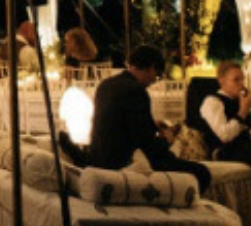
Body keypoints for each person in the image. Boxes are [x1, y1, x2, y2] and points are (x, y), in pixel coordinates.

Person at [78, 45, 210, 190]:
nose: (155, 81)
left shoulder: (107, 85)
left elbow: (123, 123)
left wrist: (153, 126)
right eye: (157, 76)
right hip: (120, 163)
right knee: (202, 172)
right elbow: (146, 143)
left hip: (99, 158)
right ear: (151, 68)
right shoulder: (135, 91)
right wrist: (166, 140)